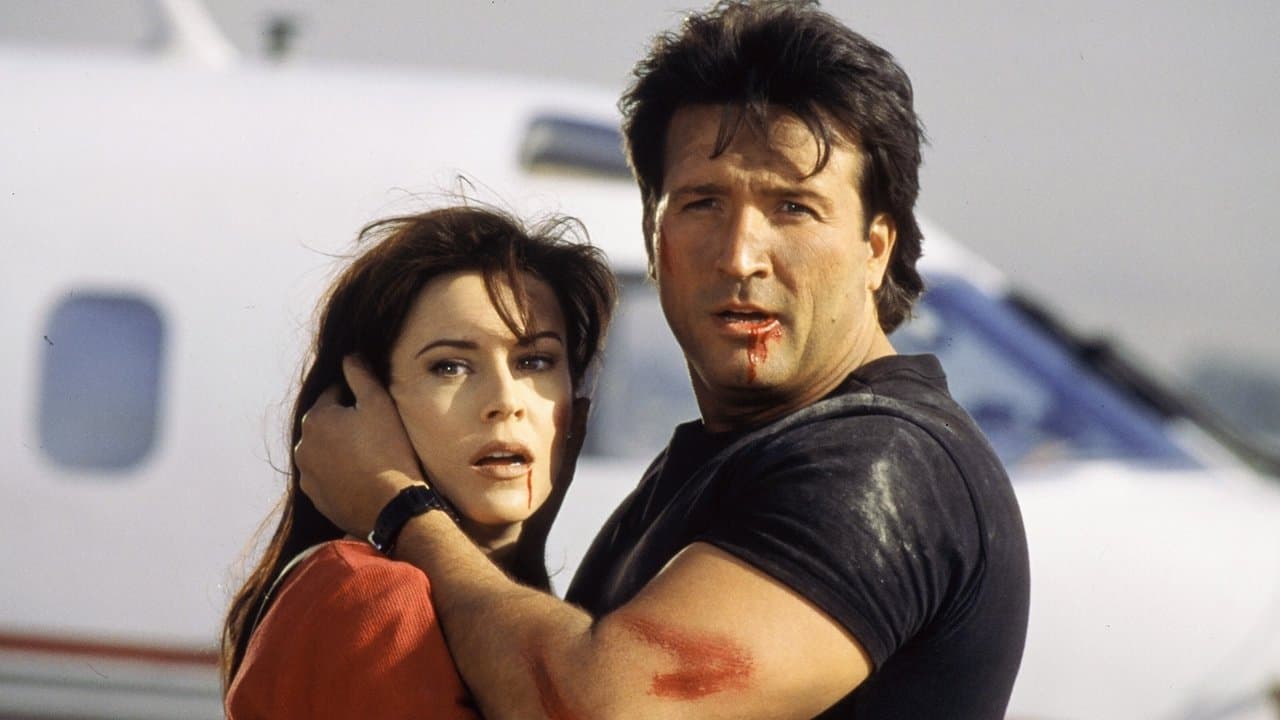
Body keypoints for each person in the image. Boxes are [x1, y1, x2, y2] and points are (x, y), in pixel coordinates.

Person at [295, 1, 1031, 718]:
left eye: (793, 208)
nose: (739, 257)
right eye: (702, 203)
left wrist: (400, 509)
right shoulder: (716, 464)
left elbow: (595, 708)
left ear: (876, 249)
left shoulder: (880, 463)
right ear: (653, 237)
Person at [219, 206, 616, 718]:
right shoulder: (375, 594)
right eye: (450, 367)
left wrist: (527, 559)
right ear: (365, 404)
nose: (505, 401)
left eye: (535, 361)